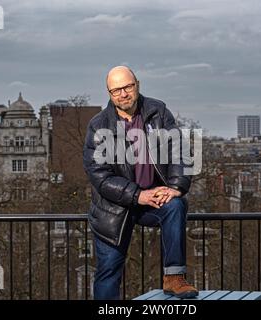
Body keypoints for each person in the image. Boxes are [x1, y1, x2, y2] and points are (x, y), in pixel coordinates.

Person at [83, 66, 198, 300]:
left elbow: (178, 151)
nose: (123, 94)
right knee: (108, 271)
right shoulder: (98, 125)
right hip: (113, 208)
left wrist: (175, 187)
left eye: (127, 87)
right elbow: (100, 176)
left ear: (137, 84)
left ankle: (174, 277)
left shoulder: (158, 111)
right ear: (109, 93)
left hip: (152, 200)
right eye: (116, 90)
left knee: (176, 206)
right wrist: (138, 195)